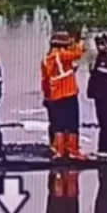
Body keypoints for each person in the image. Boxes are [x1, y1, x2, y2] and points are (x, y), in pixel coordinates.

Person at [41, 30, 86, 160]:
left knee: (59, 124)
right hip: (69, 92)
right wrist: (80, 42)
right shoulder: (62, 55)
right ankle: (73, 150)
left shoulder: (45, 59)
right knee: (72, 123)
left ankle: (59, 150)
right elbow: (78, 53)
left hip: (55, 94)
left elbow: (44, 80)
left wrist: (47, 96)